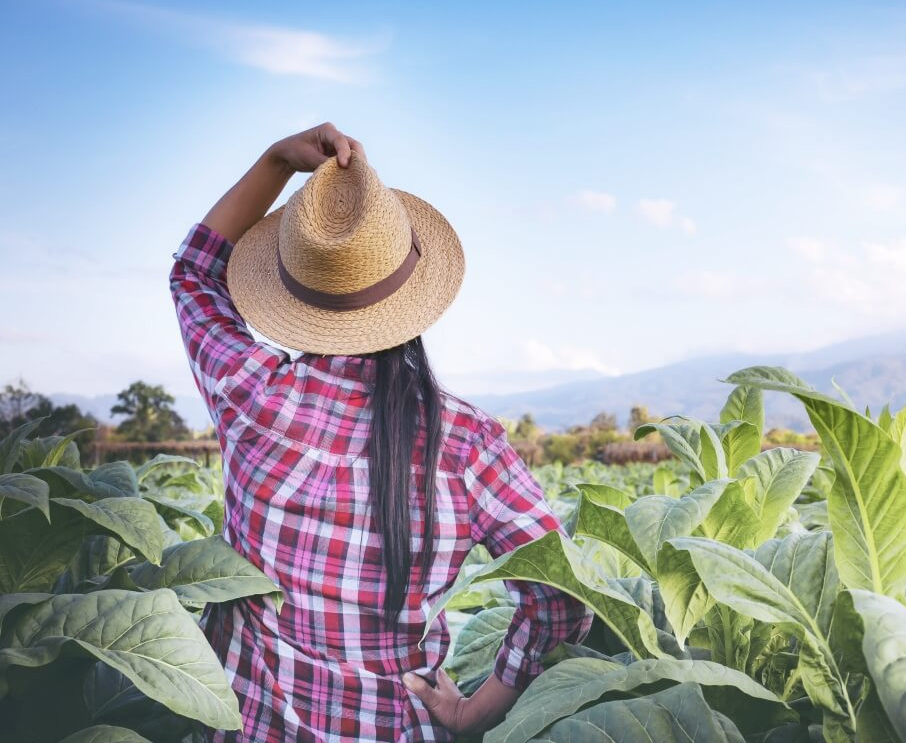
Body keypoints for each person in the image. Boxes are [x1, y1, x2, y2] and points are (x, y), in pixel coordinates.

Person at [168, 122, 594, 741]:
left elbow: (194, 275)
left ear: (292, 292)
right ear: (413, 293)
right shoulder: (467, 443)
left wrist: (276, 161)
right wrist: (477, 711)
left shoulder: (252, 394)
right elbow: (561, 594)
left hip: (251, 723)